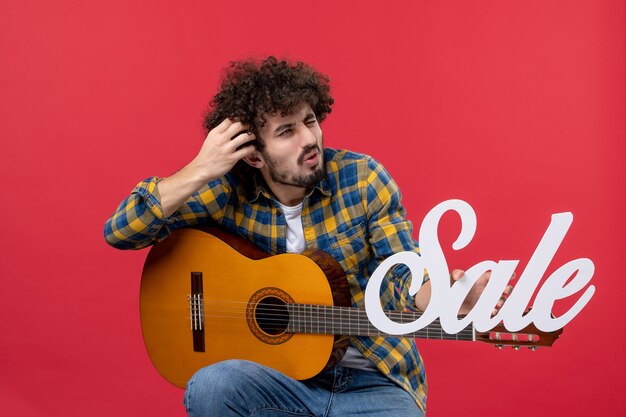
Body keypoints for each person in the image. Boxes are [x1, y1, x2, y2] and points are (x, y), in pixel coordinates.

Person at [104, 56, 505, 417]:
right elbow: (121, 232)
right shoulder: (224, 191)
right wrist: (200, 169)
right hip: (279, 383)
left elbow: (401, 283)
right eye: (286, 131)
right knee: (212, 386)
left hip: (374, 383)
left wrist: (449, 294)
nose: (309, 139)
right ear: (254, 155)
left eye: (310, 121)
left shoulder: (363, 180)